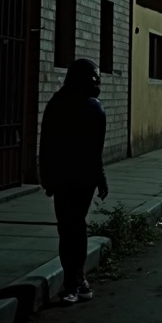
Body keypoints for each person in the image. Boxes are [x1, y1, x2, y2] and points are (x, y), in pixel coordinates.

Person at [39, 57, 109, 306]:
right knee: (70, 227)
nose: (95, 82)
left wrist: (99, 177)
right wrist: (46, 174)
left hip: (81, 176)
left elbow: (95, 149)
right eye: (92, 78)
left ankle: (75, 280)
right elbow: (47, 143)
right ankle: (76, 280)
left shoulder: (92, 108)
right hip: (65, 175)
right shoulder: (61, 105)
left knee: (72, 226)